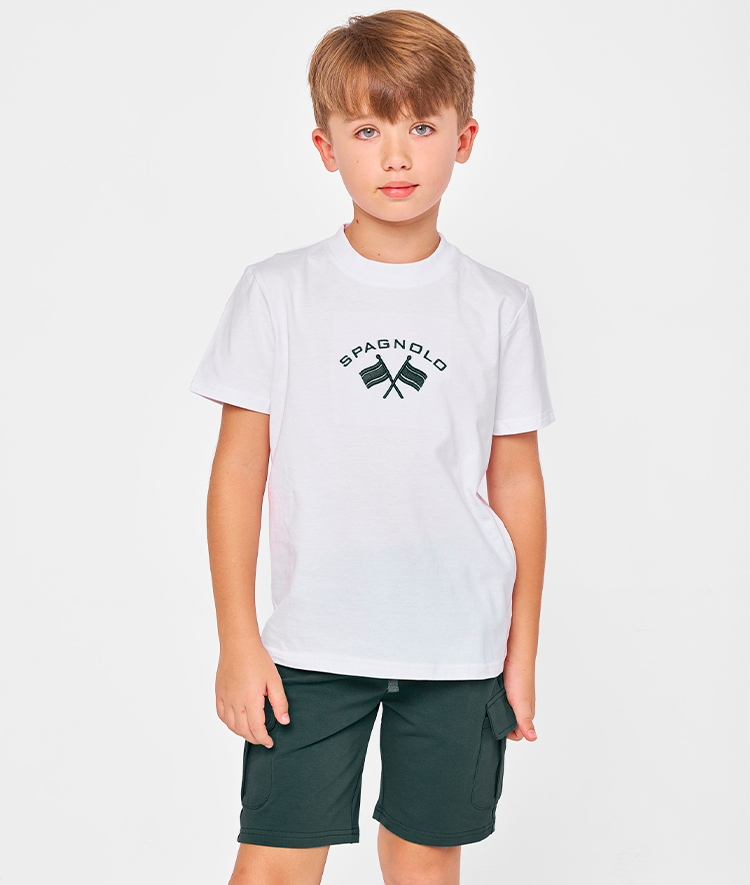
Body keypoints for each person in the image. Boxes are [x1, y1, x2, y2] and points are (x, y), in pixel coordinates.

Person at [189, 9, 555, 885]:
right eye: (367, 130)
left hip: (457, 644)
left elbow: (516, 482)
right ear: (326, 147)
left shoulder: (499, 305)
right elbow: (239, 470)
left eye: (421, 128)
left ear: (464, 139)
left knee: (425, 859)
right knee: (275, 860)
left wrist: (521, 651)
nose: (396, 156)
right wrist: (238, 638)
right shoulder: (279, 292)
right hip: (313, 641)